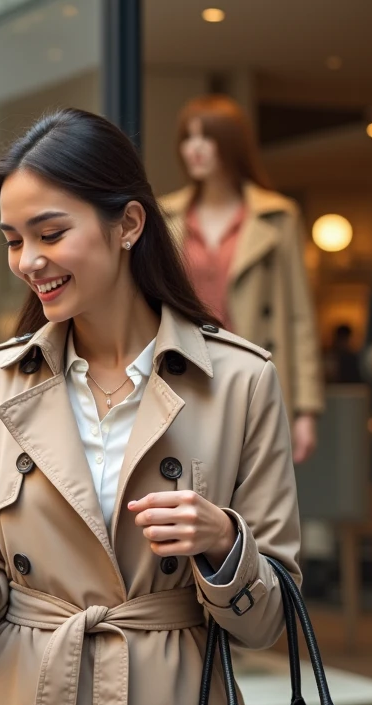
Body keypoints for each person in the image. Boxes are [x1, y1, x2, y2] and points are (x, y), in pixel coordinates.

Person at [0, 109, 302, 705]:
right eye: (14, 240)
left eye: (51, 233)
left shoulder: (240, 380)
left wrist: (224, 541)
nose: (29, 262)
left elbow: (270, 622)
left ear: (129, 225)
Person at [159, 95, 324, 463]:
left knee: (257, 493)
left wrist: (305, 411)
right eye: (187, 138)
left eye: (206, 138)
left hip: (252, 373)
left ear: (231, 145)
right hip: (184, 373)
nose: (194, 149)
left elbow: (299, 316)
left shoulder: (278, 216)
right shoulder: (165, 215)